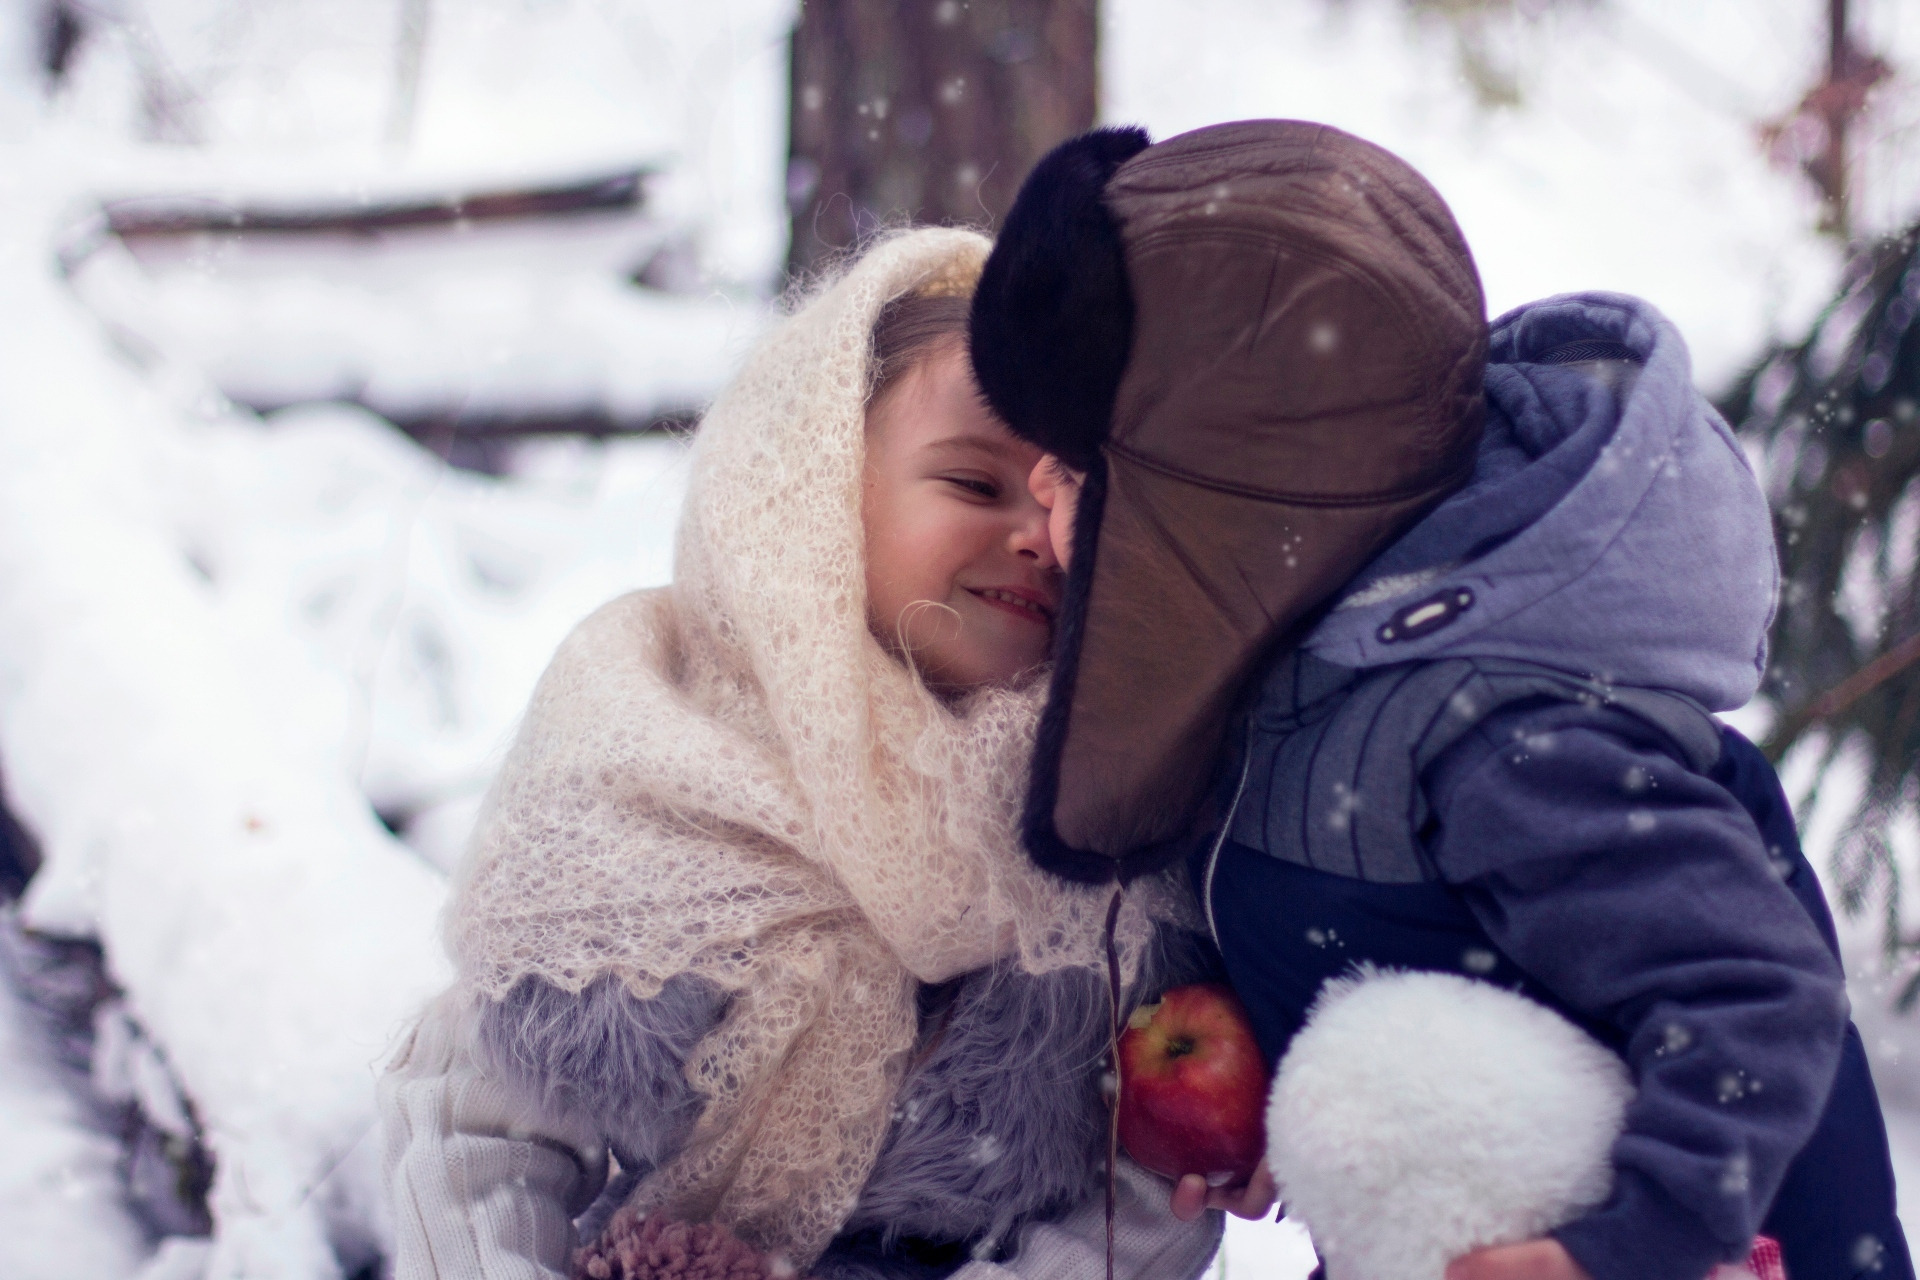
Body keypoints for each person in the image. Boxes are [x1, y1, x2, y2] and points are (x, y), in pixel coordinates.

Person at [969, 119, 1913, 1280]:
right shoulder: (1304, 666)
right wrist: (1291, 1093)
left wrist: (1620, 1245)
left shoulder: (1498, 726)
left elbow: (1753, 996)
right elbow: (1432, 952)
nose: (1043, 511)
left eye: (1080, 468)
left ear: (1227, 489)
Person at [379, 228, 1219, 1280]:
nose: (1035, 535)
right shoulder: (654, 749)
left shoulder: (1117, 808)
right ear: (813, 496)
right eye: (973, 482)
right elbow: (469, 1120)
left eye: (1069, 497)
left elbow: (1144, 1193)